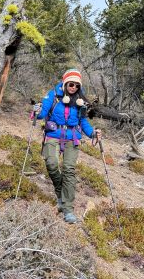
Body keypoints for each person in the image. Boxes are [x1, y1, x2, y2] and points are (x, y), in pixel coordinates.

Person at [33, 69, 102, 224]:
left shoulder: (80, 101)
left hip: (72, 138)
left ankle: (68, 209)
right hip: (53, 135)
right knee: (51, 163)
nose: (73, 88)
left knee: (69, 170)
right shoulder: (53, 95)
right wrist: (37, 111)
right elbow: (42, 113)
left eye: (77, 86)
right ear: (65, 83)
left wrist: (92, 133)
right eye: (71, 84)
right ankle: (60, 193)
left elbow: (83, 122)